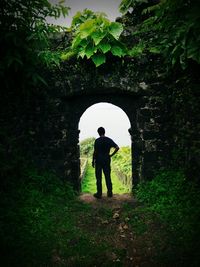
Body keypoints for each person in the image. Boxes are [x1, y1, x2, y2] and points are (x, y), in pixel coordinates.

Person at [92, 127, 119, 199]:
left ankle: (99, 193)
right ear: (104, 132)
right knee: (107, 176)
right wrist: (111, 155)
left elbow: (95, 152)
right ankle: (109, 192)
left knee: (98, 177)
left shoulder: (97, 141)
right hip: (106, 159)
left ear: (98, 132)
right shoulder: (109, 140)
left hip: (98, 160)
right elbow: (117, 147)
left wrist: (92, 160)